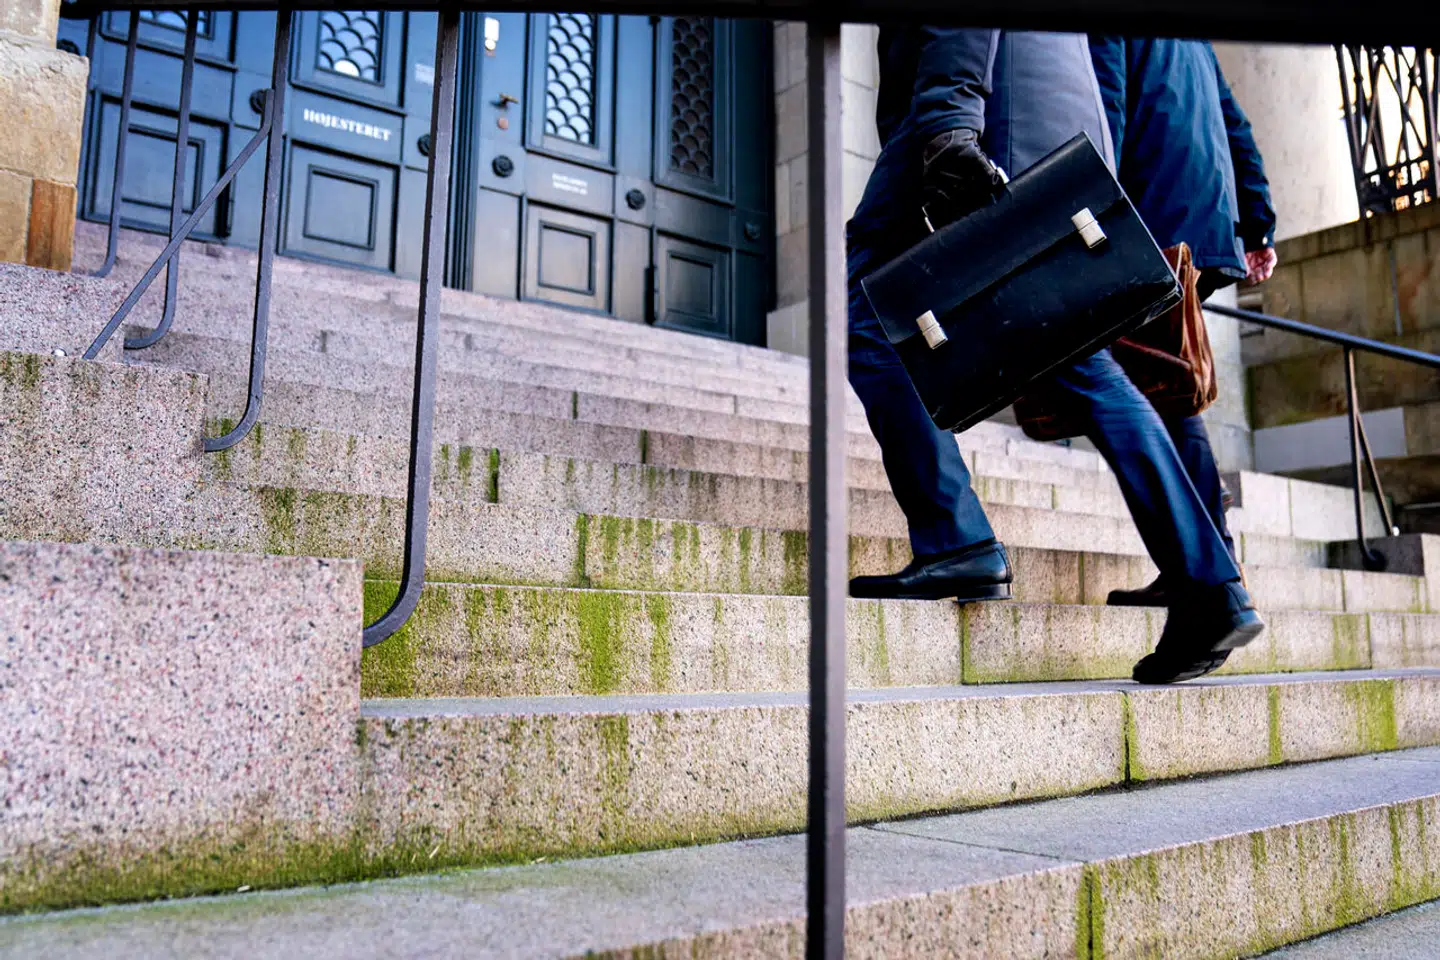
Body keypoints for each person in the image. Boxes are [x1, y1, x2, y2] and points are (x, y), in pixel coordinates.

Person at [843, 27, 1264, 684]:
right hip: (1053, 119)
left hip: (980, 109)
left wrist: (948, 123)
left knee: (874, 312)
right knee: (1085, 362)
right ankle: (1211, 586)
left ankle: (956, 538)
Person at [1088, 37, 1279, 609]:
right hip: (1206, 218)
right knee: (1168, 384)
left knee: (1162, 386)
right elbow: (1235, 124)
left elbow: (1107, 110)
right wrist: (1259, 225)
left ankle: (1211, 565)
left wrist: (1099, 212)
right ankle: (1201, 560)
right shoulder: (1192, 37)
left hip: (1154, 215)